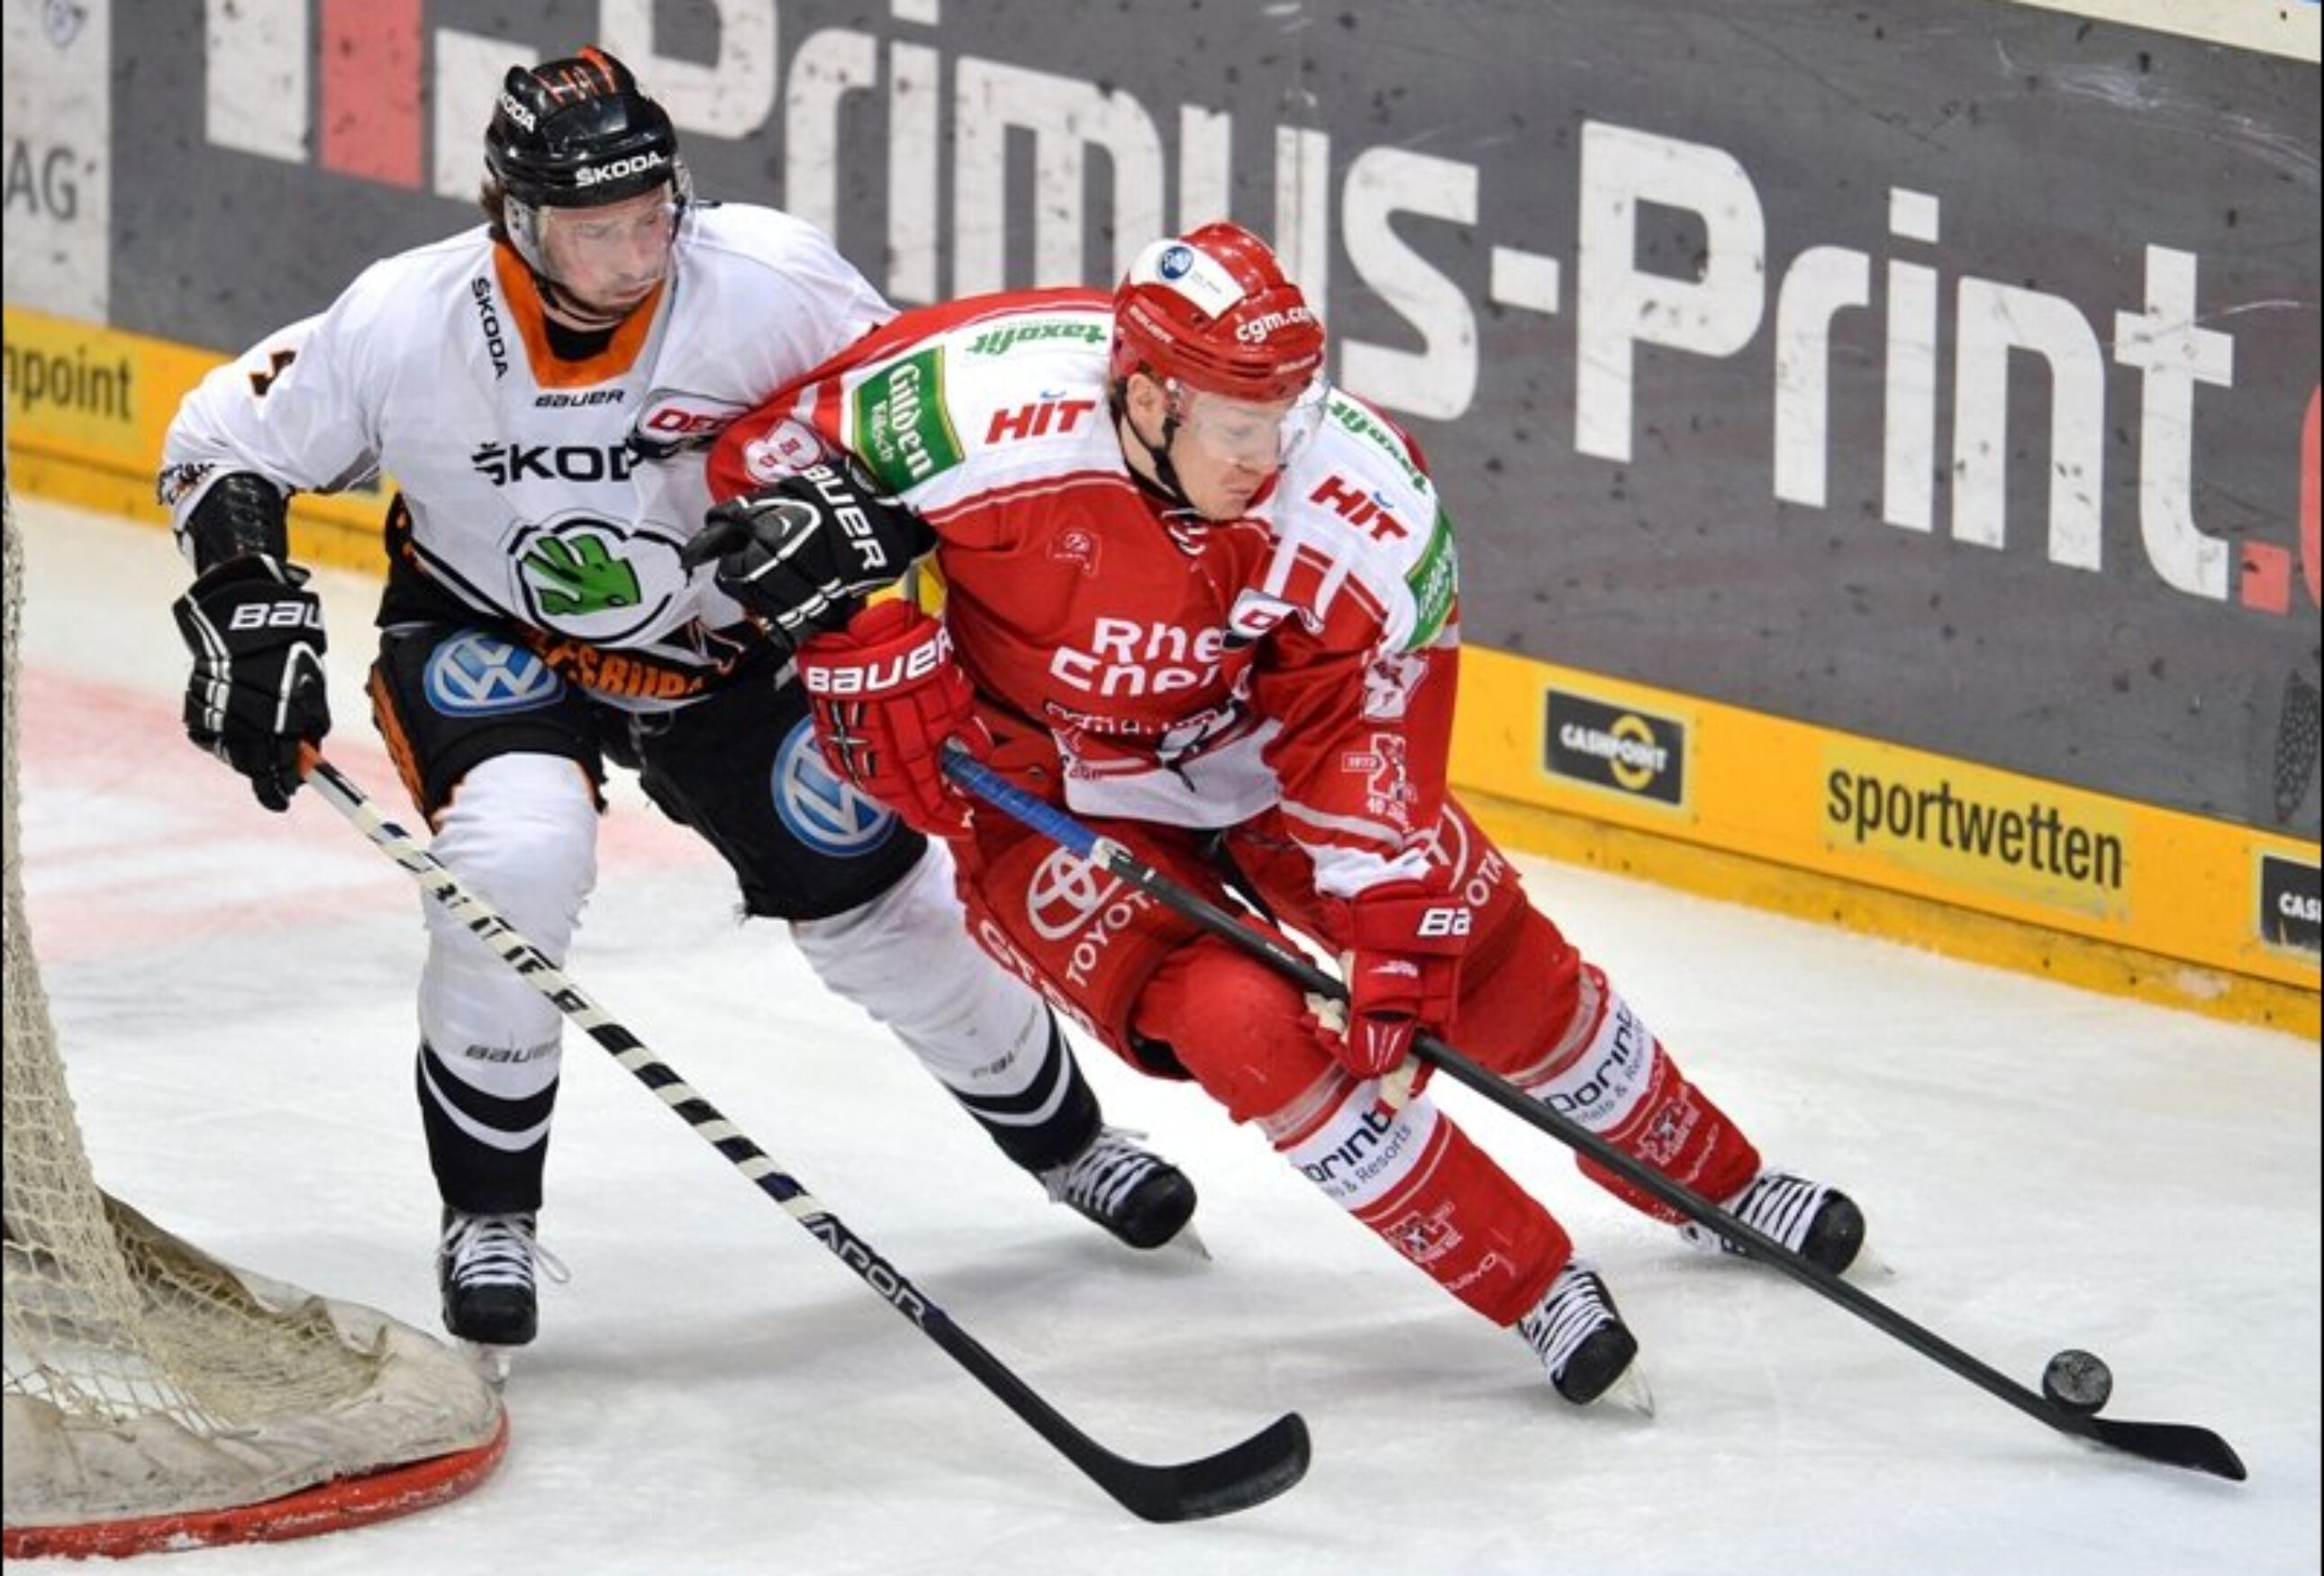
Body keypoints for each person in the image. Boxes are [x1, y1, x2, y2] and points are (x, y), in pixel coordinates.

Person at [691, 222, 1868, 1405]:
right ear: (1146, 399)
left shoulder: (1358, 492)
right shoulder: (979, 403)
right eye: (1238, 427)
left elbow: (1367, 720)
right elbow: (766, 455)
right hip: (1042, 786)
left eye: (1286, 413)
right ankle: (1531, 1283)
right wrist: (864, 626)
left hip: (1258, 752)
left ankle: (1717, 1181)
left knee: (1484, 965)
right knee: (1243, 1022)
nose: (1271, 453)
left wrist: (1385, 910)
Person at [159, 49, 1196, 1363]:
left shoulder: (766, 281)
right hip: (491, 630)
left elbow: (911, 430)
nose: (634, 255)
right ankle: (489, 1215)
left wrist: (853, 526)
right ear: (515, 220)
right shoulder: (406, 318)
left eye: (652, 215)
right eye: (593, 230)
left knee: (884, 903)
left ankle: (1072, 1144)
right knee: (514, 862)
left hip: (730, 652)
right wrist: (246, 601)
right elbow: (221, 441)